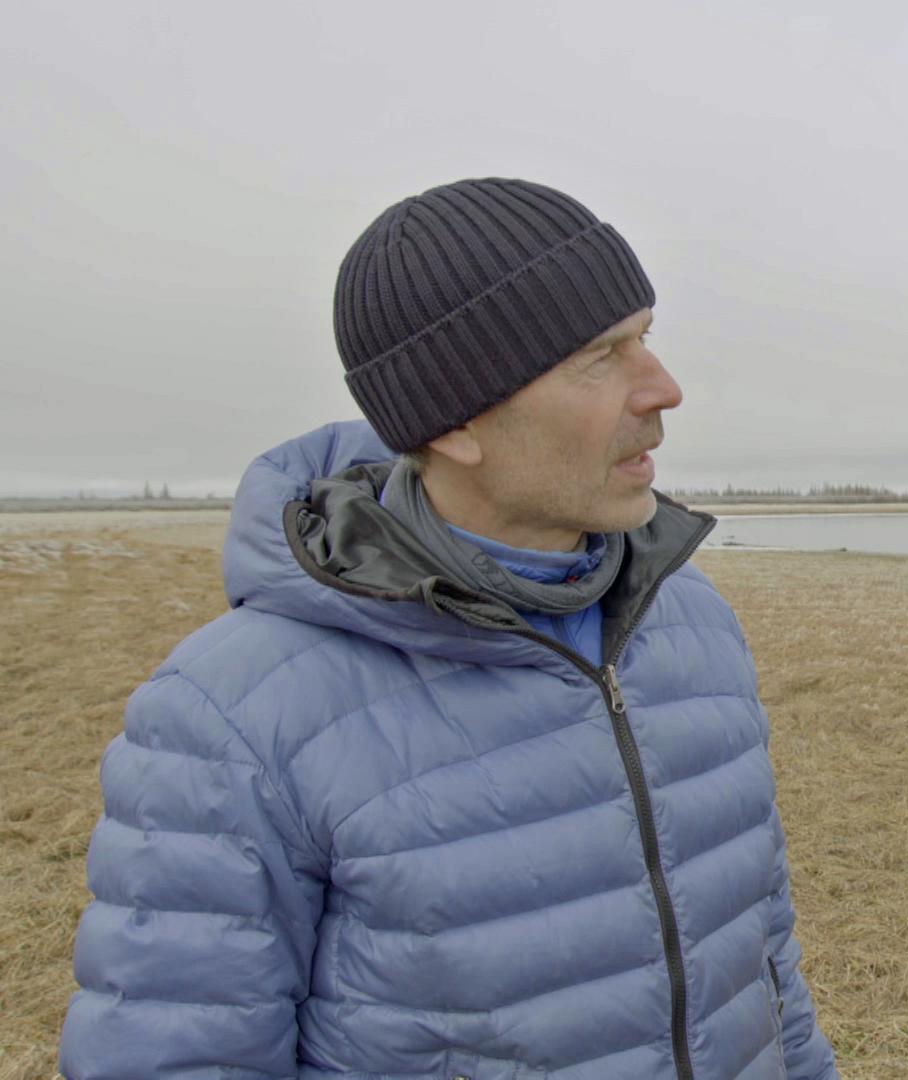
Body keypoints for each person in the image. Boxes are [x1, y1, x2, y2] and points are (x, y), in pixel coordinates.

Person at [61, 178, 837, 1078]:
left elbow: (763, 959)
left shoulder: (691, 621)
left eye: (646, 338)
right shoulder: (230, 716)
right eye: (600, 355)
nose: (662, 388)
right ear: (456, 422)